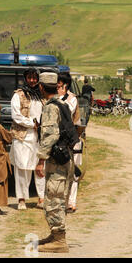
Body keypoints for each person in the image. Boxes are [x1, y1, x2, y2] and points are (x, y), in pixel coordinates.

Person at [35, 72, 75, 253]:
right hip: (64, 157)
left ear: (41, 87)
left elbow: (51, 135)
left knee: (53, 199)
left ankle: (59, 240)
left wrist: (40, 160)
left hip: (57, 161)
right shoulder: (63, 103)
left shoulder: (51, 107)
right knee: (56, 197)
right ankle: (54, 235)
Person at [9, 68, 45, 210]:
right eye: (29, 78)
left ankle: (41, 198)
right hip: (22, 137)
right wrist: (33, 124)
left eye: (35, 78)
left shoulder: (42, 95)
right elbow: (16, 116)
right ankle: (21, 199)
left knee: (41, 167)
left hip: (40, 137)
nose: (32, 80)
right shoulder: (18, 95)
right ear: (25, 78)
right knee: (22, 167)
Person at [57, 74, 82, 214]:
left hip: (72, 140)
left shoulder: (71, 99)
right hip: (59, 141)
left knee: (74, 173)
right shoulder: (54, 98)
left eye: (59, 84)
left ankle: (71, 202)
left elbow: (67, 112)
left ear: (65, 85)